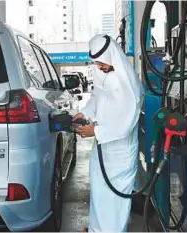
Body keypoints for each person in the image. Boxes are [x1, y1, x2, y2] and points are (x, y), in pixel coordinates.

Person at [73, 34, 144, 232]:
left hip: (120, 154)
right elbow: (97, 97)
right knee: (99, 194)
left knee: (114, 202)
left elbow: (125, 123)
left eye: (102, 62)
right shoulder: (102, 73)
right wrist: (85, 113)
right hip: (103, 149)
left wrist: (95, 130)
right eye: (97, 63)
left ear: (112, 56)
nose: (100, 66)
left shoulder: (128, 85)